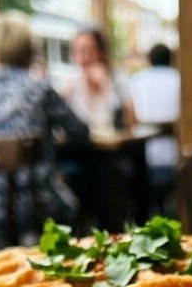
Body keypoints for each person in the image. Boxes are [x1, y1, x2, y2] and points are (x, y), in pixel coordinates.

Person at [0, 11, 88, 246]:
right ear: (30, 50)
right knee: (78, 193)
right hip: (35, 201)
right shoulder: (39, 87)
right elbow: (80, 132)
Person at [127, 42, 180, 194]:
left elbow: (131, 119)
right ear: (171, 59)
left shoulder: (136, 80)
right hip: (176, 158)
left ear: (149, 59)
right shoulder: (180, 79)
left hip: (145, 161)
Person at [58, 26, 132, 132]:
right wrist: (62, 98)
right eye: (79, 52)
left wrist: (106, 85)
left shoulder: (117, 79)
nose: (85, 58)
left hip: (112, 147)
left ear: (102, 53)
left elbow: (131, 122)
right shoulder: (71, 82)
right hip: (80, 147)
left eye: (91, 51)